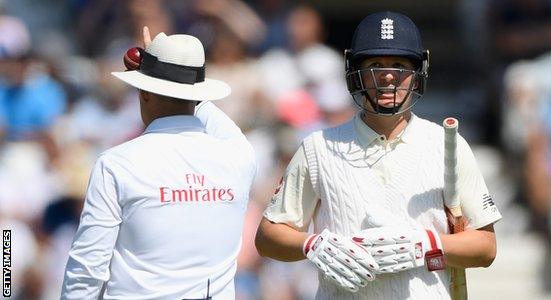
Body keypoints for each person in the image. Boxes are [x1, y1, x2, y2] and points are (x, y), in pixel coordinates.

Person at [255, 11, 501, 299]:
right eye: (374, 64)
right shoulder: (318, 147)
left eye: (399, 65)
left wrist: (427, 244)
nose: (387, 75)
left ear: (417, 72)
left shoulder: (447, 145)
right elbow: (267, 238)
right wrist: (312, 245)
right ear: (355, 72)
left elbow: (485, 249)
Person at [61, 27, 256, 299]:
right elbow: (222, 125)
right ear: (197, 92)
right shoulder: (239, 158)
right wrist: (170, 72)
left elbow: (87, 268)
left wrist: (156, 69)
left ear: (144, 93)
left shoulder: (117, 164)